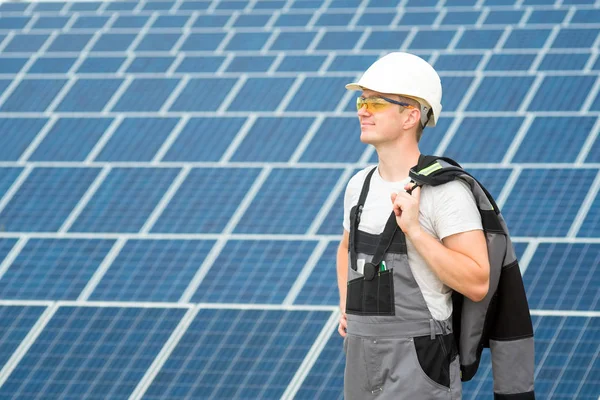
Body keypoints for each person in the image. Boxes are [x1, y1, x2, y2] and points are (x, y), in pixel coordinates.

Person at [336, 52, 491, 399]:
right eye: (362, 100)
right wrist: (346, 306)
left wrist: (416, 232)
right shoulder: (357, 186)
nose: (362, 110)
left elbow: (478, 281)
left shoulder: (444, 191)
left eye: (375, 103)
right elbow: (346, 247)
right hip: (360, 358)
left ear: (410, 116)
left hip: (419, 362)